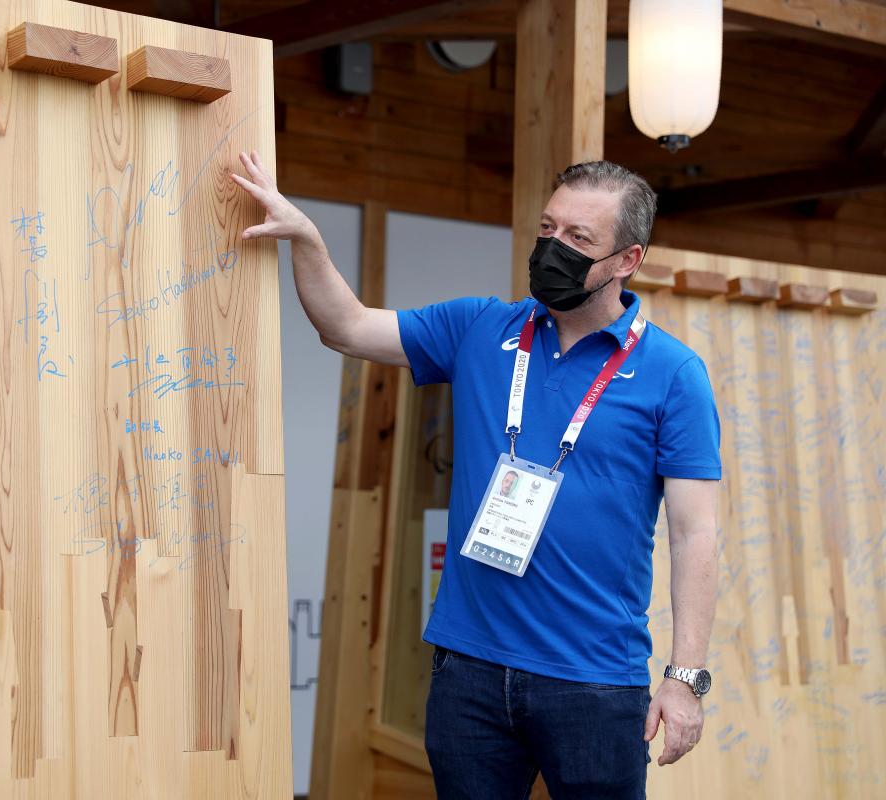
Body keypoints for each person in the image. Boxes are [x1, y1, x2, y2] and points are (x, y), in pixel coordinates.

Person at [233, 153, 720, 800]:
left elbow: (696, 534)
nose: (554, 248)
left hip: (594, 679)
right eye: (549, 229)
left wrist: (683, 679)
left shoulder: (673, 374)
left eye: (579, 239)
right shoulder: (481, 327)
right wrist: (308, 240)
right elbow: (347, 327)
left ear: (627, 260)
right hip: (470, 670)